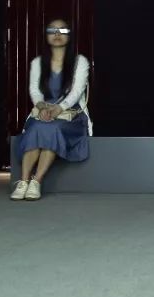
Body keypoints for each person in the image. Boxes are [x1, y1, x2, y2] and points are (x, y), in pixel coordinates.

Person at [10, 19, 92, 201]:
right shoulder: (38, 62)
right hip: (44, 112)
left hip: (70, 115)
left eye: (62, 30)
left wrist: (58, 108)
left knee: (52, 129)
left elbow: (77, 91)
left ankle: (36, 181)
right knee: (38, 127)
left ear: (69, 36)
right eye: (52, 30)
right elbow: (34, 91)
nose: (57, 34)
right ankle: (23, 182)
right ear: (46, 35)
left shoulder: (80, 61)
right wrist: (41, 107)